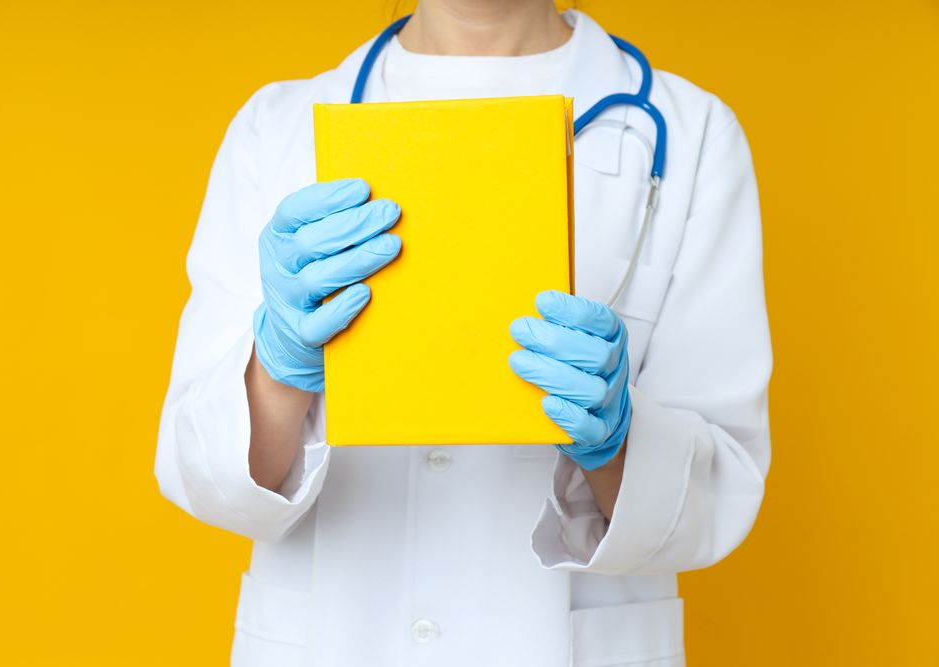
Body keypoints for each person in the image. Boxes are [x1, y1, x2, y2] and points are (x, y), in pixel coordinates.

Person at [155, 1, 772, 665]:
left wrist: (620, 439)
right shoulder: (273, 132)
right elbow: (203, 473)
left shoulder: (693, 135)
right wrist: (277, 369)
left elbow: (719, 494)